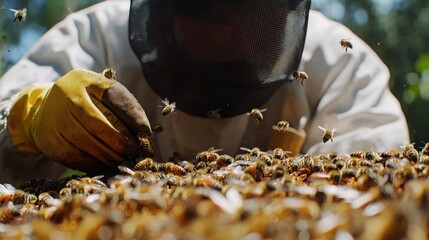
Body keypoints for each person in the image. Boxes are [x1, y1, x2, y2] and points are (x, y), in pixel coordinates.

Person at [0, 0, 409, 184]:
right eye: (201, 11)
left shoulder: (339, 66)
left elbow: (374, 184)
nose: (218, 33)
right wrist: (24, 116)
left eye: (238, 12)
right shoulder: (96, 41)